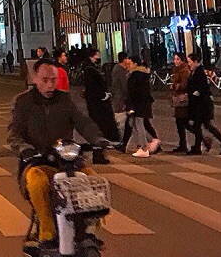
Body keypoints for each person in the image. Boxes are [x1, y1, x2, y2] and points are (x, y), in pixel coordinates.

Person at [7, 60, 105, 251]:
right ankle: (46, 231)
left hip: (67, 162)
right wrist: (24, 149)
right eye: (45, 80)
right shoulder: (23, 102)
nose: (50, 85)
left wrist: (98, 138)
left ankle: (89, 228)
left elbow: (83, 122)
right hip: (37, 161)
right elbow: (14, 133)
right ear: (35, 78)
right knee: (37, 182)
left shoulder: (65, 100)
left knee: (93, 181)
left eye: (54, 80)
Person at [185, 53, 221, 155]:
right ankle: (219, 144)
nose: (188, 64)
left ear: (196, 62)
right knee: (202, 125)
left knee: (202, 125)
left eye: (189, 62)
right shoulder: (195, 72)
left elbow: (202, 88)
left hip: (202, 105)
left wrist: (195, 93)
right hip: (200, 104)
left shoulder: (200, 72)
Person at [120, 57, 159, 157]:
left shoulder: (136, 76)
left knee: (139, 124)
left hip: (138, 104)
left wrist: (130, 106)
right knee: (134, 124)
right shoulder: (142, 74)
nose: (128, 67)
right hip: (142, 104)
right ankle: (149, 143)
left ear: (135, 64)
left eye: (130, 64)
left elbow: (133, 93)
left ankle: (144, 148)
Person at [81, 52, 117, 142]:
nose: (99, 57)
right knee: (102, 119)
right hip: (98, 101)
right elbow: (93, 86)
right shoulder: (90, 69)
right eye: (97, 55)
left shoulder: (90, 68)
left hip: (95, 100)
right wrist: (103, 95)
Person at [168, 53, 191, 153]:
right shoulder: (177, 70)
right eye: (174, 59)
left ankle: (201, 138)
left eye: (178, 59)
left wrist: (175, 86)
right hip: (179, 99)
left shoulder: (184, 70)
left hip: (183, 99)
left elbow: (185, 84)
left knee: (183, 122)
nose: (175, 61)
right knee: (180, 122)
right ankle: (182, 144)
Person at [109, 52, 129, 137]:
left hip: (120, 99)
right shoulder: (119, 70)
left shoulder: (120, 69)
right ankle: (119, 139)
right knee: (121, 122)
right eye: (127, 59)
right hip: (120, 100)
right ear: (124, 60)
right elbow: (124, 86)